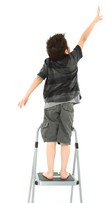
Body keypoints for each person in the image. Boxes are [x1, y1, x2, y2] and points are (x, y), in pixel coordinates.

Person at [18, 6, 103, 180]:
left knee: (50, 139)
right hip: (67, 106)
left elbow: (38, 78)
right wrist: (94, 21)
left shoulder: (48, 63)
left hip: (50, 106)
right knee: (65, 139)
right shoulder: (72, 59)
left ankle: (49, 172)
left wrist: (27, 94)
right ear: (66, 51)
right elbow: (84, 38)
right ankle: (63, 172)